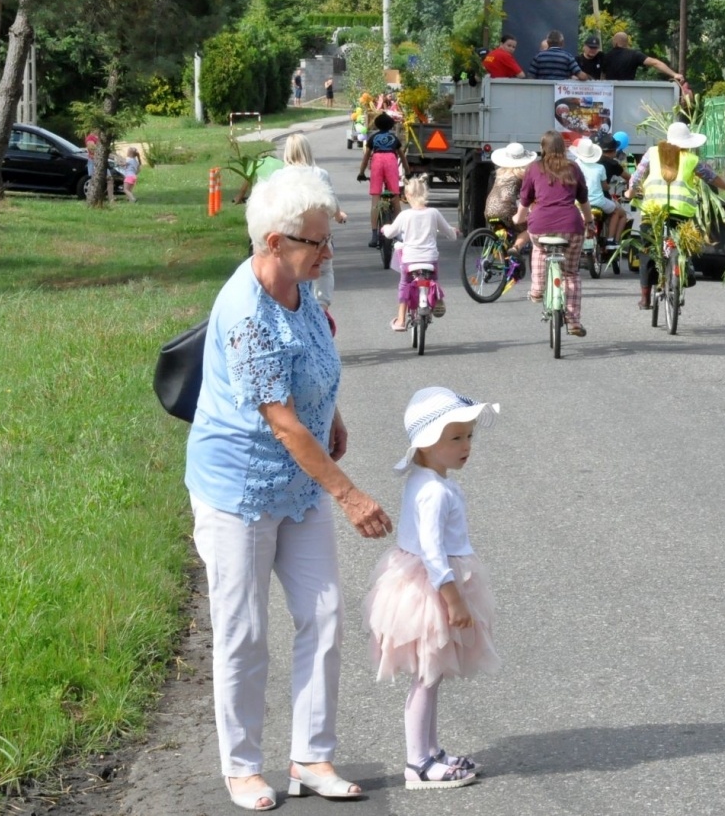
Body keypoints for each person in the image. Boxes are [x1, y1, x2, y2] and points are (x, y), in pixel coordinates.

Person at [185, 170, 393, 811]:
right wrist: (351, 495)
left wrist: (333, 415)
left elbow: (312, 366)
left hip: (298, 486)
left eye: (328, 239)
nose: (328, 252)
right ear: (274, 242)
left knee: (323, 615)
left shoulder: (301, 287)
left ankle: (310, 756)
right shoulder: (247, 313)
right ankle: (243, 766)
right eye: (316, 242)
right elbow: (280, 422)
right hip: (241, 489)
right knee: (245, 632)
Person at [364, 386, 501, 791]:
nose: (466, 445)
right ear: (425, 444)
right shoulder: (434, 491)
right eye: (455, 438)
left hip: (426, 580)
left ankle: (431, 750)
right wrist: (453, 599)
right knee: (427, 675)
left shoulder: (427, 480)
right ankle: (418, 763)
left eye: (469, 436)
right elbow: (432, 551)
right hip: (432, 587)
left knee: (433, 673)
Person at [626, 121, 725, 310]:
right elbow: (711, 177)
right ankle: (685, 267)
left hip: (653, 212)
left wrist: (630, 193)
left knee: (647, 252)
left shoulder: (652, 153)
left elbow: (637, 177)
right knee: (685, 241)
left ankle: (645, 298)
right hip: (681, 212)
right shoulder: (691, 159)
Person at [517, 131, 590, 337]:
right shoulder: (573, 168)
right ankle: (573, 322)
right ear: (564, 148)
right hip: (571, 226)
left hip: (540, 224)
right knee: (570, 274)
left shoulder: (534, 168)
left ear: (543, 148)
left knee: (539, 250)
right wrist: (590, 221)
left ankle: (537, 290)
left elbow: (525, 199)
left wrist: (518, 218)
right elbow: (583, 199)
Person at [276, 133, 347, 309]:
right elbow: (331, 201)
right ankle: (322, 308)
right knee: (324, 270)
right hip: (316, 236)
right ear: (308, 151)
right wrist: (339, 216)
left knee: (289, 270)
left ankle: (291, 305)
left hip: (290, 234)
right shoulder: (320, 174)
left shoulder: (279, 176)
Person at [381, 176, 458, 332]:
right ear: (425, 193)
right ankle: (437, 297)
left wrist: (385, 228)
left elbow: (390, 233)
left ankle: (401, 320)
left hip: (410, 260)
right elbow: (449, 233)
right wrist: (454, 232)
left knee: (404, 284)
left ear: (407, 195)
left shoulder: (404, 215)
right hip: (430, 259)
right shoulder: (434, 213)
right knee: (434, 279)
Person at [356, 113, 405, 248]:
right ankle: (399, 233)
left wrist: (361, 173)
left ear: (377, 125)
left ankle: (374, 235)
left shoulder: (373, 138)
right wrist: (408, 171)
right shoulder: (394, 138)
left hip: (377, 162)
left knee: (375, 200)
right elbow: (402, 157)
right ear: (391, 126)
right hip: (391, 161)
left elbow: (366, 158)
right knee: (395, 197)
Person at [572, 137, 627, 255]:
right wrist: (607, 187)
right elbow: (605, 186)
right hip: (599, 201)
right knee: (617, 212)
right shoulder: (601, 167)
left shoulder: (575, 165)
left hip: (579, 201)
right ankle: (611, 240)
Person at [485, 142, 536, 256]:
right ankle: (515, 249)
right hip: (506, 211)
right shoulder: (522, 175)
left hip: (489, 210)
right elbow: (527, 197)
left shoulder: (500, 173)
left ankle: (502, 254)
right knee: (530, 228)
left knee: (505, 230)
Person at [601, 31, 683, 84]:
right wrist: (674, 74)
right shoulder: (634, 55)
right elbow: (655, 63)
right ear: (627, 43)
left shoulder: (606, 57)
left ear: (615, 43)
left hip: (610, 94)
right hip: (628, 91)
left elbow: (602, 77)